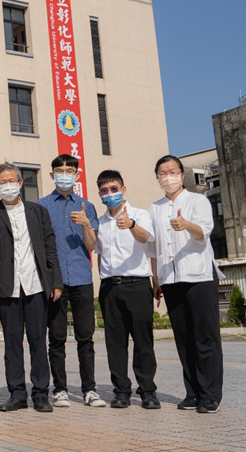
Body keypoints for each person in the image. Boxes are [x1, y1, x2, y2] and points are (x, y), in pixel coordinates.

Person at [0, 163, 62, 413]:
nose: (8, 185)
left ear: (21, 183)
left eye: (12, 180)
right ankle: (16, 393)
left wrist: (56, 281)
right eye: (2, 182)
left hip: (36, 285)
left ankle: (40, 394)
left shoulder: (38, 211)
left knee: (38, 340)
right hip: (8, 287)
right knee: (12, 342)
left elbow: (50, 246)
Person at [148, 155, 224, 414]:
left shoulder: (197, 200)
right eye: (162, 173)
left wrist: (186, 225)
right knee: (183, 338)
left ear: (181, 175)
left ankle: (211, 395)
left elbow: (204, 231)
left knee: (205, 336)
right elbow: (153, 248)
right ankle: (192, 392)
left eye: (172, 171)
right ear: (157, 179)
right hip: (170, 279)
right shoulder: (154, 208)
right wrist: (156, 279)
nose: (167, 177)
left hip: (198, 276)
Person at [36, 155, 106, 408]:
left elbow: (92, 245)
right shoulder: (41, 206)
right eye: (59, 170)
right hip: (55, 281)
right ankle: (61, 389)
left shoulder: (87, 206)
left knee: (85, 337)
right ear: (52, 175)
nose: (64, 174)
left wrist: (87, 224)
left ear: (77, 174)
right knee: (56, 338)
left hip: (81, 278)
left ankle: (89, 389)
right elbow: (39, 247)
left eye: (69, 170)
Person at [94, 170, 160, 409]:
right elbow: (99, 254)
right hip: (110, 287)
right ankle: (121, 390)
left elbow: (146, 239)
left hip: (137, 285)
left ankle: (148, 391)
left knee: (143, 341)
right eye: (104, 190)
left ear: (123, 189)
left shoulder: (140, 214)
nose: (109, 194)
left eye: (113, 189)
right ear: (99, 194)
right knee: (115, 343)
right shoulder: (99, 222)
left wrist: (131, 224)